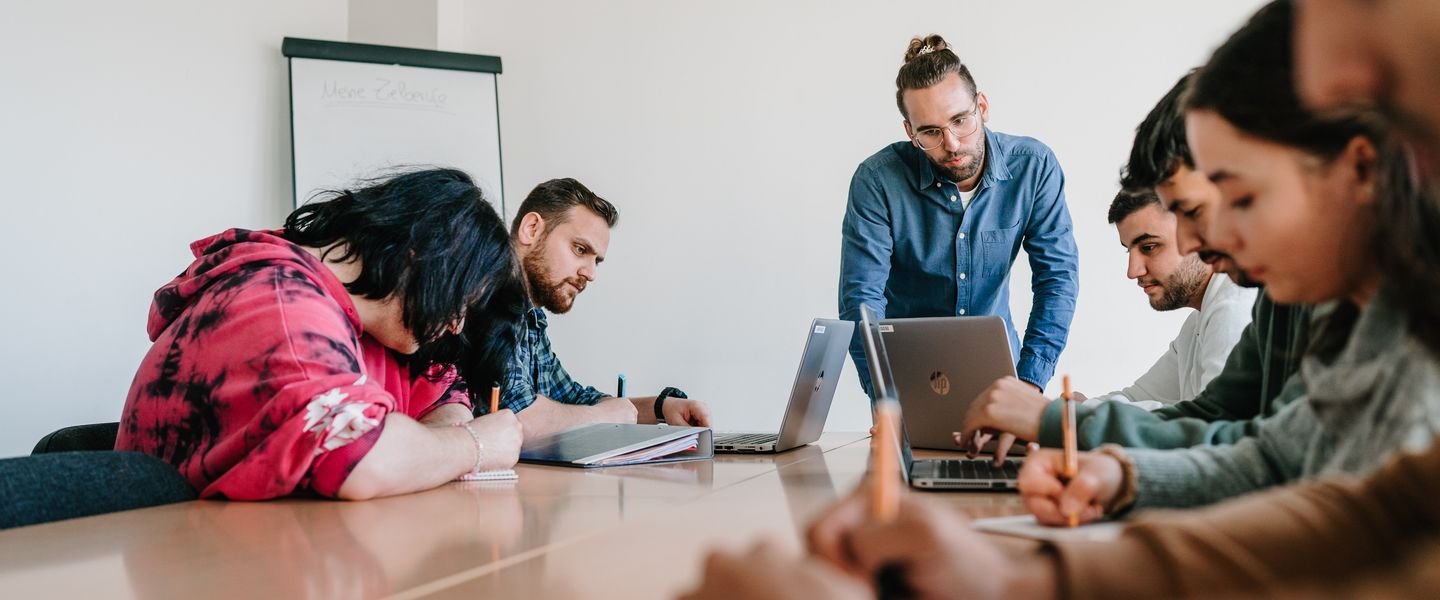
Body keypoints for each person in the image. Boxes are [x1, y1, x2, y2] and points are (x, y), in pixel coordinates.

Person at [680, 2, 1440, 597]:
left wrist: (1042, 404)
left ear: (1364, 165)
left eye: (1230, 196)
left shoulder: (1375, 307)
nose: (1200, 242)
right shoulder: (1351, 310)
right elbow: (1329, 491)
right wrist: (1046, 551)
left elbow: (1343, 518)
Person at [956, 71, 1311, 460]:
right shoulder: (1232, 315)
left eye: (1151, 245)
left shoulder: (1237, 304)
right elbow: (1204, 416)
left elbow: (1217, 438)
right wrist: (1069, 421)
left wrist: (1060, 421)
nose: (1133, 270)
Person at [117, 168, 528, 501]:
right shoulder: (281, 303)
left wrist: (443, 434)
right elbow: (359, 457)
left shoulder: (366, 323)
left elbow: (440, 390)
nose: (456, 324)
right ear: (422, 256)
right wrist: (476, 445)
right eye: (459, 301)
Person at [838, 34, 1079, 397]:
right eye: (930, 132)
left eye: (960, 120)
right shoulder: (877, 181)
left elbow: (1057, 279)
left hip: (1004, 380)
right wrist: (884, 396)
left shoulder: (1034, 167)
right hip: (909, 383)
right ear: (910, 131)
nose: (951, 143)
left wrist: (1029, 384)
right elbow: (861, 300)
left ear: (981, 106)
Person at [491, 178, 711, 437]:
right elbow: (517, 417)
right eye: (580, 249)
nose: (591, 273)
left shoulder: (531, 318)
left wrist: (662, 407)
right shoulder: (489, 299)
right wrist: (601, 416)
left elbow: (572, 399)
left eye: (597, 260)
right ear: (531, 228)